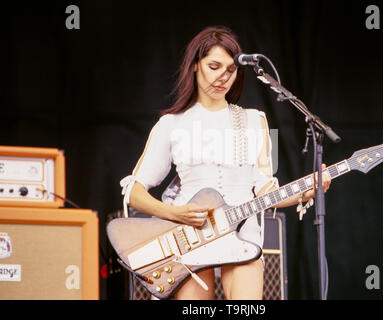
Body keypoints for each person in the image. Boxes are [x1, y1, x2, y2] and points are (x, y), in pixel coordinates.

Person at [120, 26, 331, 300]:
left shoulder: (257, 121)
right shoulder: (170, 124)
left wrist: (305, 191)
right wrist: (175, 213)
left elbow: (266, 190)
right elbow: (133, 193)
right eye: (214, 66)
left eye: (231, 69)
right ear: (195, 66)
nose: (223, 76)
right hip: (189, 238)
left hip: (243, 234)